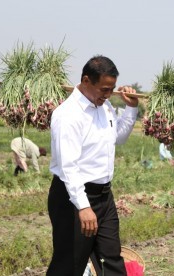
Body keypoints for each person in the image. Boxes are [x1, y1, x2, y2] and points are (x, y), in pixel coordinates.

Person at [48, 55, 139, 276]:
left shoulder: (105, 107)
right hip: (73, 199)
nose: (108, 95)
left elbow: (118, 137)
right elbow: (68, 167)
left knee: (111, 260)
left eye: (112, 89)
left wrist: (131, 109)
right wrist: (83, 207)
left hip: (104, 196)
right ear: (87, 81)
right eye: (104, 89)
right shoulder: (68, 115)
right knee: (69, 265)